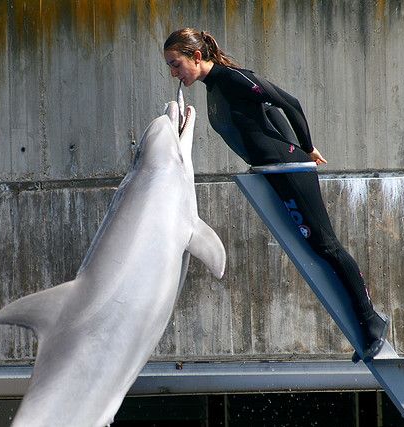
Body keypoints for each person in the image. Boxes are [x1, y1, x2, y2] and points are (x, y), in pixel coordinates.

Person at [163, 28, 389, 361]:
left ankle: (371, 321)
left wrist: (305, 148)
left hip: (290, 170)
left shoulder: (234, 79)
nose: (174, 73)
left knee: (326, 245)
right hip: (273, 173)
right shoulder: (214, 89)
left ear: (196, 56)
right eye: (170, 67)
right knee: (315, 247)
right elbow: (268, 115)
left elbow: (289, 103)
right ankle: (363, 326)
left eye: (176, 64)